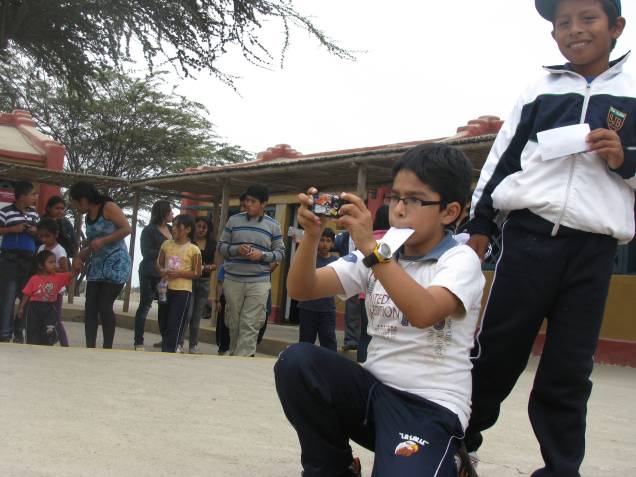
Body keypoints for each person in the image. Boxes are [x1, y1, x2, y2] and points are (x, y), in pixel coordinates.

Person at [463, 2, 634, 476]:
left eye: (588, 18)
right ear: (553, 33)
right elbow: (503, 159)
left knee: (569, 368)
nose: (575, 30)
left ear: (616, 26)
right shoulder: (539, 89)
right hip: (530, 239)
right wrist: (480, 225)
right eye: (563, 23)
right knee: (497, 349)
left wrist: (626, 158)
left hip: (594, 250)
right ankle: (457, 443)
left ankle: (561, 468)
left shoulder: (634, 90)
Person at [275, 144, 485, 477]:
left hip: (428, 407)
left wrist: (373, 250)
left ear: (449, 211)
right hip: (372, 396)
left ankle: (452, 460)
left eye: (414, 200)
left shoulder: (460, 260)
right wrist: (311, 237)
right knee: (297, 362)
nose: (399, 209)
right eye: (395, 197)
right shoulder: (383, 252)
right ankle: (332, 469)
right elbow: (303, 289)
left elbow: (424, 312)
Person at [217, 184, 285, 357]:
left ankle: (244, 359)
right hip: (233, 279)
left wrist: (261, 255)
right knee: (233, 321)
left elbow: (280, 253)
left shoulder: (273, 225)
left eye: (252, 201)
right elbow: (221, 246)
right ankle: (234, 355)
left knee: (251, 323)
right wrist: (236, 249)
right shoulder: (233, 221)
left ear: (263, 204)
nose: (247, 204)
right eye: (246, 200)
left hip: (259, 282)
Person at [70, 181, 132, 349]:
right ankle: (90, 346)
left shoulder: (108, 207)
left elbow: (127, 229)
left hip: (115, 264)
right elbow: (92, 242)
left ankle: (107, 347)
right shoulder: (88, 215)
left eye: (75, 203)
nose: (75, 207)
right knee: (90, 305)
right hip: (97, 265)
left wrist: (104, 240)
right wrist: (80, 255)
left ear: (83, 199)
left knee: (104, 304)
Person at [0, 181, 39, 343]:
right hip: (10, 260)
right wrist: (12, 230)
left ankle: (19, 332)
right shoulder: (5, 212)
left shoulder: (34, 214)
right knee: (7, 298)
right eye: (32, 194)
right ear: (23, 196)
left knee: (26, 299)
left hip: (28, 262)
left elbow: (40, 233)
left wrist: (34, 231)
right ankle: (4, 333)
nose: (35, 197)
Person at [156, 214, 201, 353]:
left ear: (187, 229)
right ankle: (167, 344)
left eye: (177, 226)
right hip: (164, 287)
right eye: (173, 225)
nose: (173, 229)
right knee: (162, 319)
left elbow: (197, 272)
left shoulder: (194, 249)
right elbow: (158, 263)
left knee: (175, 321)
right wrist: (162, 271)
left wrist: (179, 273)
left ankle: (169, 349)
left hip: (182, 290)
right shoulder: (166, 244)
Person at [17, 250, 81, 345]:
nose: (54, 265)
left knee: (49, 332)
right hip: (34, 308)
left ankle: (47, 348)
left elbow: (71, 274)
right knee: (33, 332)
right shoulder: (34, 279)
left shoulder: (58, 277)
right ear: (40, 265)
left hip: (50, 308)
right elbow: (26, 295)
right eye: (51, 262)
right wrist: (21, 308)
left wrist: (75, 267)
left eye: (55, 262)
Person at [133, 200, 173, 351]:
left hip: (164, 277)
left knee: (164, 307)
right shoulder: (148, 230)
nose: (172, 214)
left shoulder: (171, 229)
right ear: (163, 212)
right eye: (170, 211)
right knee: (145, 306)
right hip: (149, 274)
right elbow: (146, 252)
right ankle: (138, 341)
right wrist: (164, 252)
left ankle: (165, 339)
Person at [357, 204, 390, 363]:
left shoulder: (368, 238)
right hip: (388, 296)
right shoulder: (393, 240)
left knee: (364, 334)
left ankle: (361, 363)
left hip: (364, 295)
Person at [297, 227, 338, 351]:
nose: (324, 244)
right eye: (322, 240)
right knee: (305, 343)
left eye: (328, 241)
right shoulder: (309, 258)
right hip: (307, 308)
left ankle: (329, 369)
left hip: (327, 311)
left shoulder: (336, 262)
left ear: (333, 243)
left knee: (329, 344)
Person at [180, 216, 216, 354]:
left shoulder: (213, 244)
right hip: (189, 281)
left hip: (204, 282)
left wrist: (208, 267)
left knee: (196, 316)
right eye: (198, 226)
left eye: (204, 227)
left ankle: (193, 345)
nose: (201, 229)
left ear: (208, 229)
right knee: (187, 314)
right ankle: (180, 343)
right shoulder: (188, 242)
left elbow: (215, 264)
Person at [36, 218, 71, 347]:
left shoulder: (59, 250)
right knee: (42, 318)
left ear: (56, 234)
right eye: (41, 236)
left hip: (55, 291)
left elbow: (65, 271)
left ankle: (64, 345)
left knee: (55, 318)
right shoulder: (41, 248)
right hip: (42, 290)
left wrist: (53, 269)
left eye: (47, 236)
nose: (44, 239)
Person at [334, 229, 361, 351]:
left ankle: (365, 340)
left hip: (365, 275)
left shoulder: (366, 233)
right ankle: (351, 341)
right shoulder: (342, 237)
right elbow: (328, 244)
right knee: (351, 311)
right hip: (350, 278)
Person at [214, 263, 230, 355]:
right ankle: (222, 347)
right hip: (225, 297)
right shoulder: (225, 265)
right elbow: (219, 283)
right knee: (223, 323)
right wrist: (218, 300)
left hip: (237, 297)